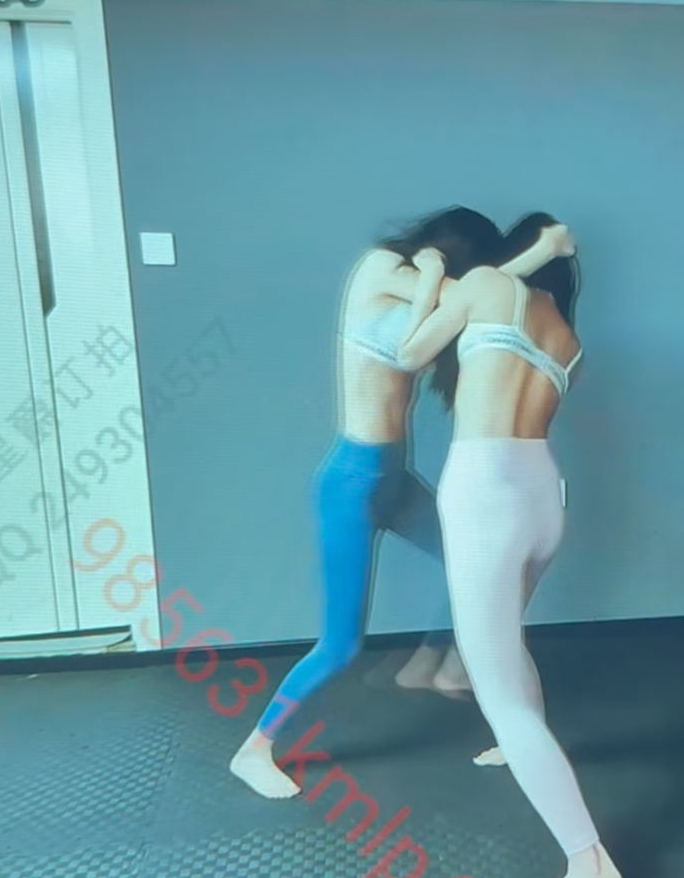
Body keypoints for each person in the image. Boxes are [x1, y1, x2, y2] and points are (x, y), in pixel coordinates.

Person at [229, 208, 562, 800]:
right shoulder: (379, 267)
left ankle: (472, 694)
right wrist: (542, 250)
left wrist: (438, 275)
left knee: (483, 575)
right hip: (351, 483)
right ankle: (254, 748)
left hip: (393, 480)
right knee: (340, 646)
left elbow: (475, 299)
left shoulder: (430, 286)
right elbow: (478, 292)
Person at [390, 214, 622, 878]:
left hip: (486, 494)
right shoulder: (569, 339)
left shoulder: (487, 284)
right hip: (543, 496)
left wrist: (433, 275)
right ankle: (521, 742)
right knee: (506, 650)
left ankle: (590, 864)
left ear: (508, 253)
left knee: (496, 685)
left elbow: (408, 353)